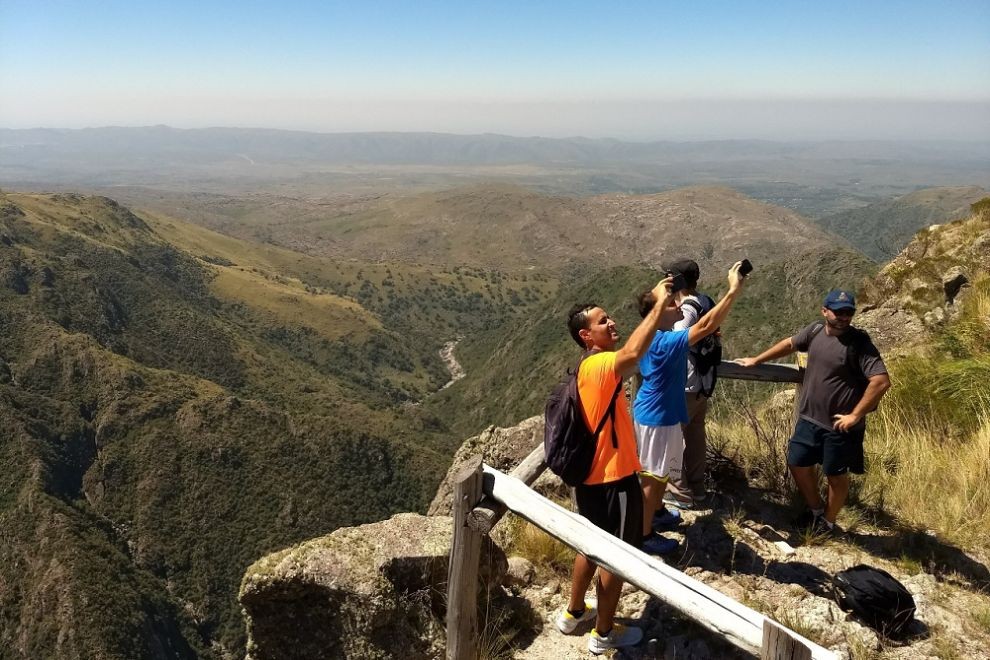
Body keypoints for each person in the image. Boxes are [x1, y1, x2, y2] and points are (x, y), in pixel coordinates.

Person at [555, 275, 674, 654]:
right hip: (614, 480)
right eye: (602, 321)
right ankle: (604, 634)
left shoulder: (585, 368)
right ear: (586, 336)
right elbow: (633, 356)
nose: (612, 324)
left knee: (589, 547)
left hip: (590, 480)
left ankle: (574, 613)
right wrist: (658, 304)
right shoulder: (603, 365)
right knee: (617, 557)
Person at [736, 289, 891, 534]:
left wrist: (855, 415)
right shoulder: (815, 331)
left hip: (840, 426)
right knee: (796, 462)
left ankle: (827, 523)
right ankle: (816, 510)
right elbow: (789, 343)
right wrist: (758, 360)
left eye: (848, 312)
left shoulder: (860, 343)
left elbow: (881, 381)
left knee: (836, 477)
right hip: (809, 418)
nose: (843, 317)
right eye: (838, 312)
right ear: (824, 311)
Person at [633, 262, 746, 553]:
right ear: (658, 313)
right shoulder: (665, 342)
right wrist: (734, 289)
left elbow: (703, 329)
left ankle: (656, 513)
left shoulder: (651, 335)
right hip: (657, 417)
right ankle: (643, 536)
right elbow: (706, 325)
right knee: (653, 475)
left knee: (659, 473)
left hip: (662, 414)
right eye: (672, 306)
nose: (680, 310)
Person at [664, 258, 718, 510]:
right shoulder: (705, 301)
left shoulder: (687, 308)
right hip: (702, 382)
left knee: (672, 437)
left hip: (684, 383)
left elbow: (678, 340)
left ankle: (679, 492)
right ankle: (698, 488)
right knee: (696, 434)